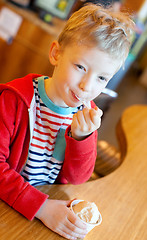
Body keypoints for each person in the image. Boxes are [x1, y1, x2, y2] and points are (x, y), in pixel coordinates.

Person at [0, 3, 134, 240]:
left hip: (44, 210)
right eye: (80, 67)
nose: (86, 87)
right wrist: (40, 207)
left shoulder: (86, 112)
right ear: (56, 53)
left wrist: (82, 138)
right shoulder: (16, 100)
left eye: (102, 78)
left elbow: (76, 180)